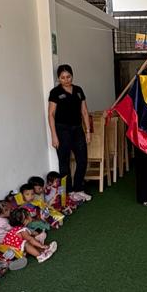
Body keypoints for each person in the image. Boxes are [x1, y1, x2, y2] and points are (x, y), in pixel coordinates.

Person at [47, 64, 93, 202]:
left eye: (68, 77)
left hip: (78, 129)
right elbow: (51, 114)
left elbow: (84, 111)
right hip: (62, 130)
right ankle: (69, 192)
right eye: (63, 78)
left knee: (82, 160)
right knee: (64, 162)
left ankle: (79, 189)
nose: (66, 80)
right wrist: (54, 135)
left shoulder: (78, 90)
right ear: (58, 78)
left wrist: (88, 131)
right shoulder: (55, 92)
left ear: (72, 76)